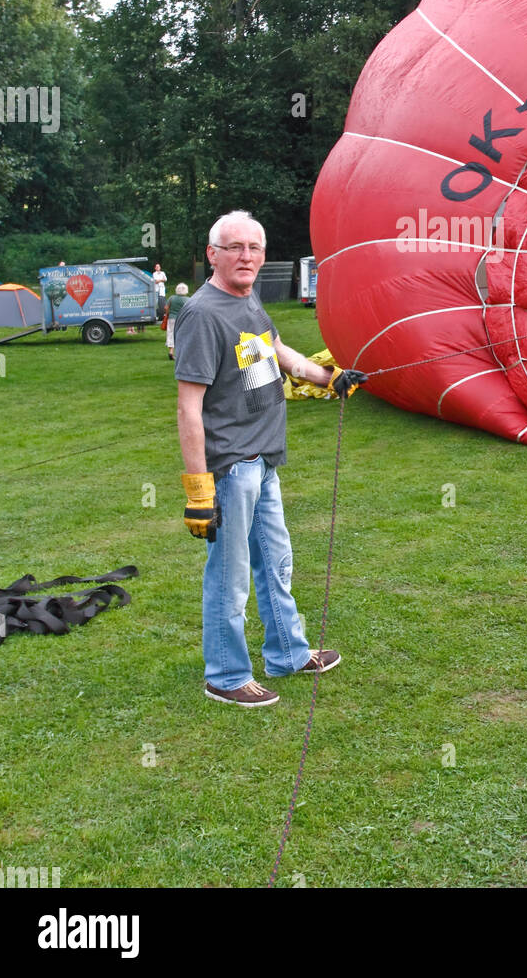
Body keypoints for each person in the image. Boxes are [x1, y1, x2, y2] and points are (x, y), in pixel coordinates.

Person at [173, 210, 366, 707]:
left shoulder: (249, 298)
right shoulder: (202, 313)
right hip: (231, 466)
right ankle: (226, 674)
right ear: (213, 253)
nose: (247, 256)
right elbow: (188, 407)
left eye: (255, 248)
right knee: (230, 574)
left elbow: (277, 351)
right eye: (235, 247)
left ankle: (287, 652)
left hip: (263, 460)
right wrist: (199, 490)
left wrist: (328, 377)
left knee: (276, 563)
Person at [165, 282, 189, 359]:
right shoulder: (188, 300)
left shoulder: (172, 298)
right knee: (183, 335)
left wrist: (168, 314)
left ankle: (171, 352)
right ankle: (182, 352)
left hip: (172, 318)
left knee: (171, 334)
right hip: (183, 319)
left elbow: (166, 308)